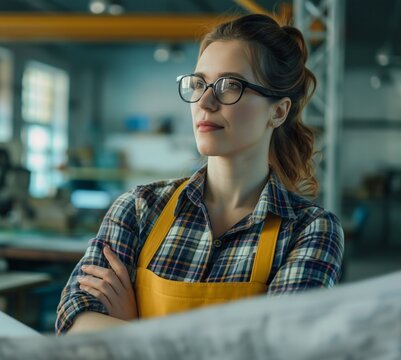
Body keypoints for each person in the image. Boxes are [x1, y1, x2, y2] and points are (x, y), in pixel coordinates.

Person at [55, 13, 344, 334]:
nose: (205, 102)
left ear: (278, 111)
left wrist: (132, 330)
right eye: (199, 84)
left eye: (230, 85)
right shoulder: (139, 208)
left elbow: (283, 346)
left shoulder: (309, 230)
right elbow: (74, 319)